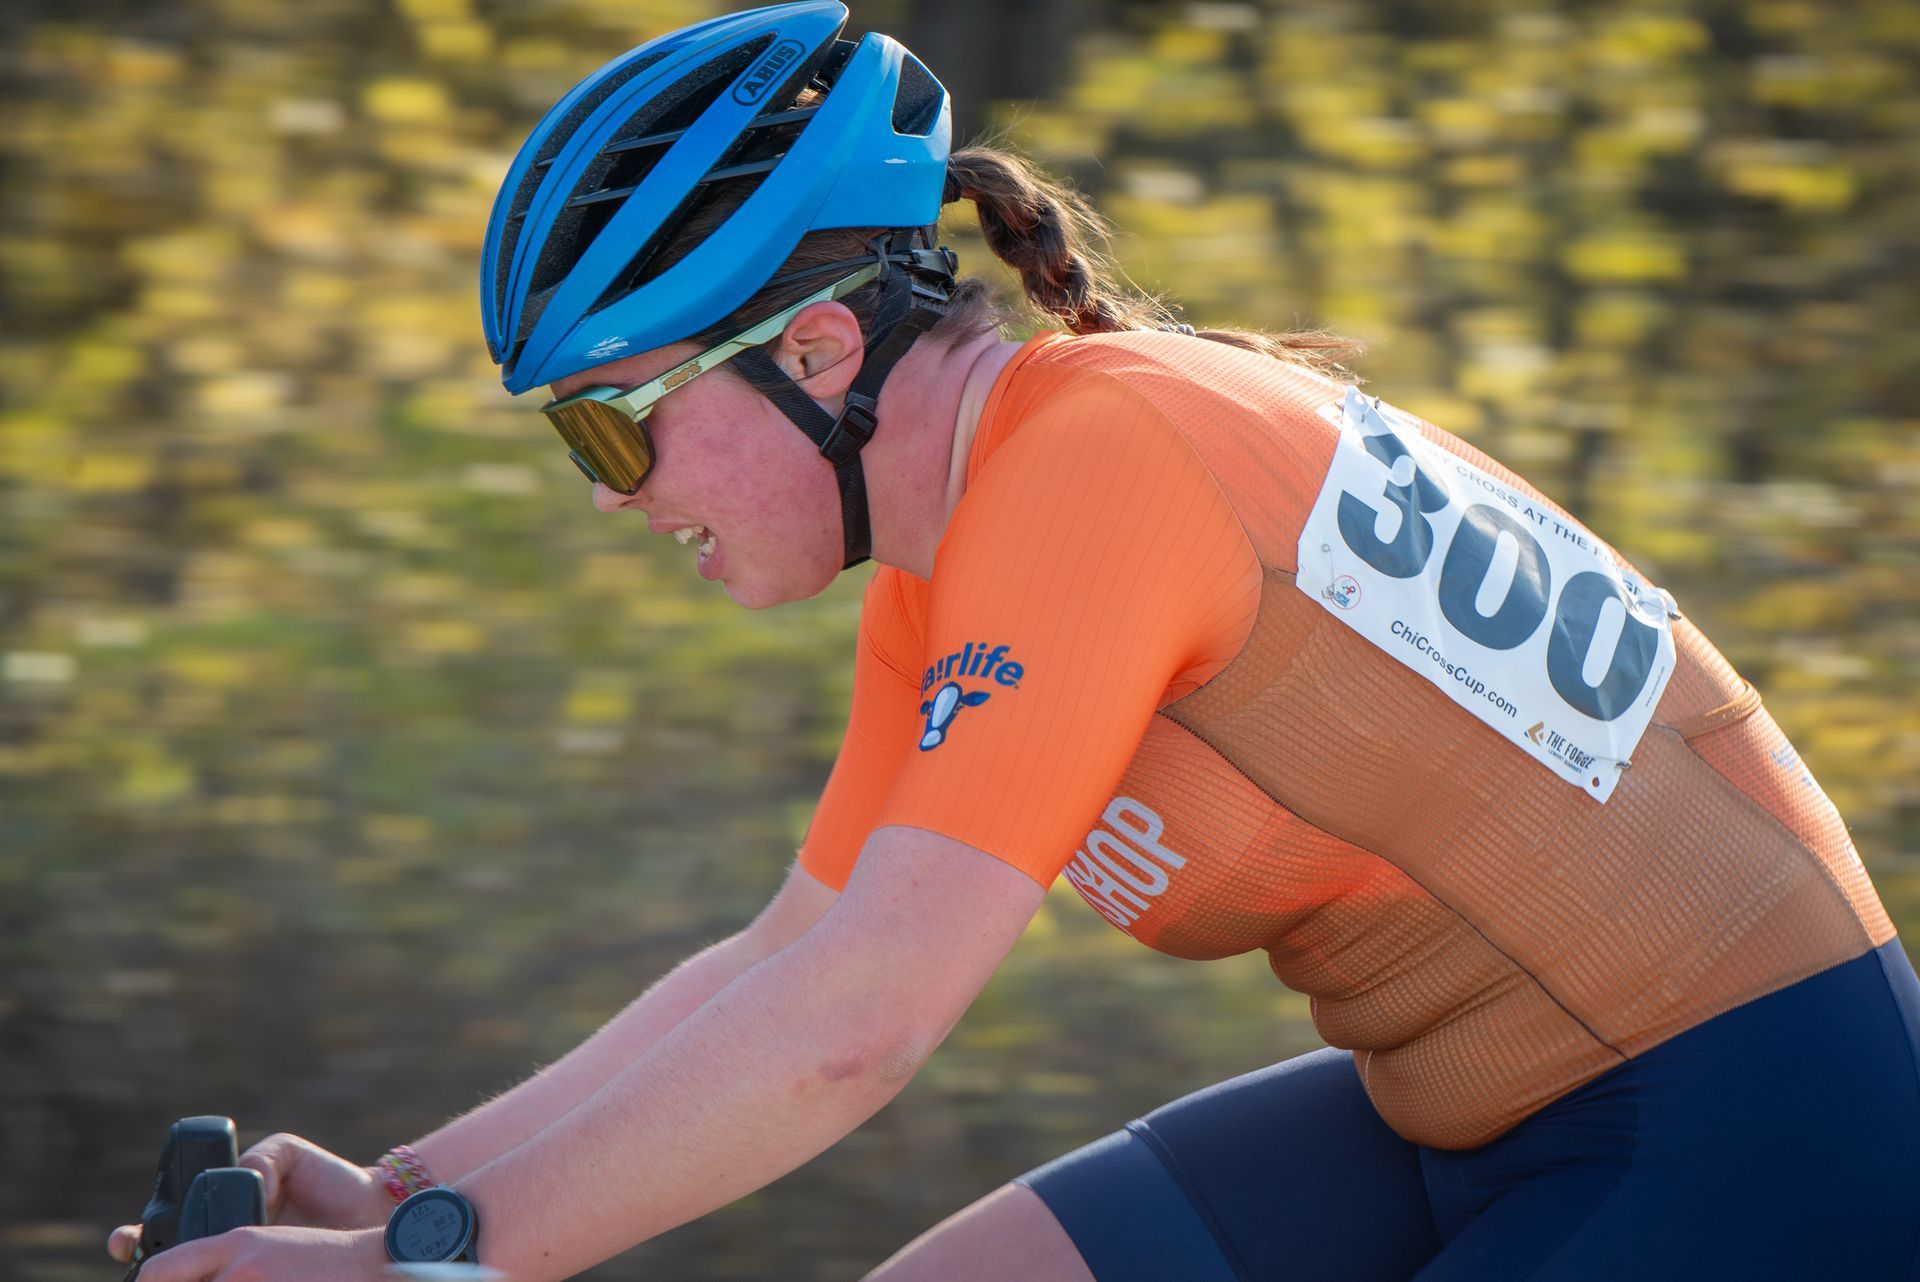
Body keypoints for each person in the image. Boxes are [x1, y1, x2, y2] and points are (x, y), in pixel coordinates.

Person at [110, 4, 1920, 1280]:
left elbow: (859, 1028)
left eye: (612, 424)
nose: (607, 493)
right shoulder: (959, 535)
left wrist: (444, 1263)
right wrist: (402, 1197)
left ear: (817, 355)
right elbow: (796, 945)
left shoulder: (1100, 462)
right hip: (1474, 1107)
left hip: (1751, 1127)